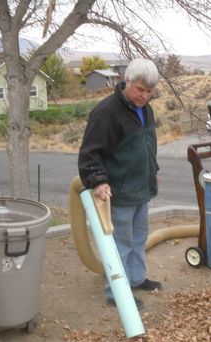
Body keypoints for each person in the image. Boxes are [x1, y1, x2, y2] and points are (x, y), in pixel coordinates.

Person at [78, 58, 162, 310]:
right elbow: (89, 153)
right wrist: (98, 181)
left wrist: (152, 170)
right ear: (127, 82)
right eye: (140, 89)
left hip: (140, 189)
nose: (144, 96)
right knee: (121, 243)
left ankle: (135, 278)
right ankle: (117, 291)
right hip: (119, 191)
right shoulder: (106, 112)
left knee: (139, 238)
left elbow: (147, 145)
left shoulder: (146, 110)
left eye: (149, 91)